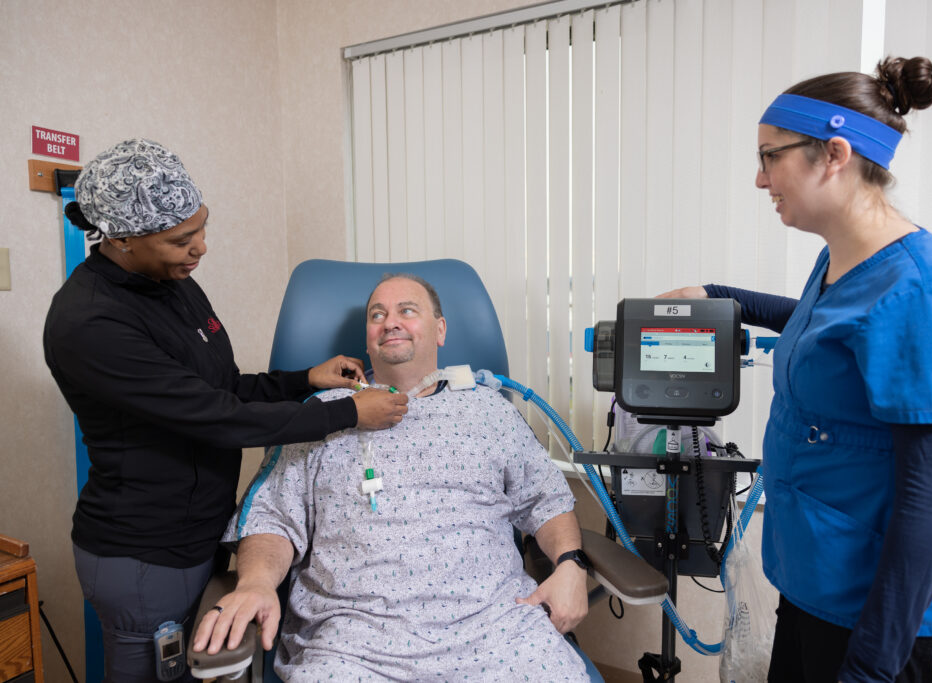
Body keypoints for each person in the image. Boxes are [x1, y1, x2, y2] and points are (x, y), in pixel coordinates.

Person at [660, 57, 932, 682]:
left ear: (834, 154)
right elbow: (825, 330)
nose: (760, 179)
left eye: (770, 156)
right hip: (820, 577)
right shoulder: (843, 260)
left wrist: (871, 666)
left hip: (876, 609)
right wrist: (717, 296)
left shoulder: (924, 291)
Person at [43, 138, 408, 682]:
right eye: (181, 240)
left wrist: (303, 379)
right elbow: (218, 418)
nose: (201, 248)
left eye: (202, 228)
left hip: (204, 529)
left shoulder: (171, 282)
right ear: (121, 239)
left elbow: (224, 388)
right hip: (146, 552)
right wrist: (348, 414)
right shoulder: (90, 323)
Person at [192, 273, 591, 681]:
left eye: (407, 311)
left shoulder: (489, 411)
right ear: (368, 340)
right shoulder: (320, 414)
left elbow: (547, 500)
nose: (390, 322)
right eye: (377, 314)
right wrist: (256, 583)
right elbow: (272, 517)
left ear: (440, 329)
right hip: (352, 643)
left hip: (497, 630)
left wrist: (570, 564)